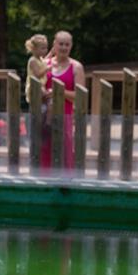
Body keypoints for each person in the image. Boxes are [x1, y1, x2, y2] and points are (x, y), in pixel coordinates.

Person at [43, 30, 85, 170]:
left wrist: (59, 92)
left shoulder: (76, 67)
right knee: (43, 153)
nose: (64, 48)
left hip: (65, 118)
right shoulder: (44, 64)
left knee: (64, 155)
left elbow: (80, 96)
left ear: (71, 46)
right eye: (61, 44)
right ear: (54, 45)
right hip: (43, 117)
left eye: (67, 44)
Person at [24, 34, 50, 104]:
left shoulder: (40, 59)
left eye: (46, 48)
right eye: (43, 48)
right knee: (46, 97)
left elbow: (46, 59)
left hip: (41, 86)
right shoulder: (32, 60)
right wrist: (47, 69)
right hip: (34, 86)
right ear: (34, 49)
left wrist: (53, 52)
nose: (46, 50)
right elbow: (37, 75)